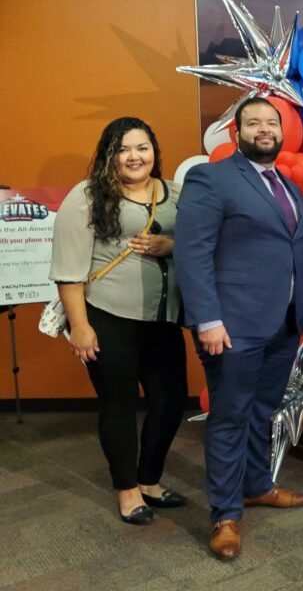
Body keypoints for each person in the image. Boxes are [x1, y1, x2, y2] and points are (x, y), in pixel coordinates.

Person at [175, 97, 303, 560]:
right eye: (253, 122)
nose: (264, 129)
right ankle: (226, 515)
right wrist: (208, 320)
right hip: (231, 325)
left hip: (283, 322)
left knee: (263, 411)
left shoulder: (288, 188)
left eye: (271, 122)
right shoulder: (210, 179)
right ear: (237, 132)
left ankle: (256, 486)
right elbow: (192, 254)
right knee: (231, 416)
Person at [49, 117, 187, 525]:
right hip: (108, 318)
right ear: (110, 153)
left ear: (154, 152)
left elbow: (200, 243)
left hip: (163, 318)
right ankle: (127, 489)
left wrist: (170, 245)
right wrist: (80, 326)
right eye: (124, 148)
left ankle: (149, 480)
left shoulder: (175, 193)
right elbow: (69, 269)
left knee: (170, 401)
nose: (134, 156)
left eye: (142, 147)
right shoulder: (87, 197)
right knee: (119, 405)